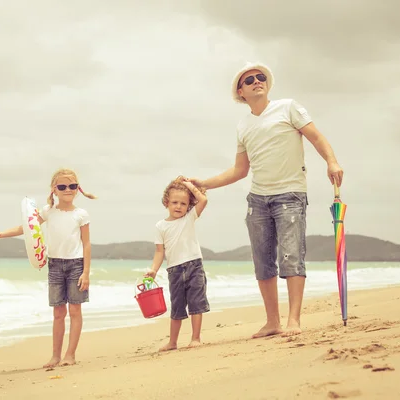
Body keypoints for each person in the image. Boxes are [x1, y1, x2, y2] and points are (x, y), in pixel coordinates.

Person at [188, 62, 344, 338]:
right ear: (241, 91)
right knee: (263, 262)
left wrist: (331, 162)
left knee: (291, 257)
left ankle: (293, 320)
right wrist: (205, 183)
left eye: (260, 78)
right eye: (249, 80)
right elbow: (240, 170)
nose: (257, 81)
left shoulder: (288, 107)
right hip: (258, 199)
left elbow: (316, 137)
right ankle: (273, 321)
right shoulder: (243, 125)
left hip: (291, 194)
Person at [0, 168, 95, 368]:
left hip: (76, 265)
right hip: (54, 264)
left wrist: (86, 272)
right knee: (58, 313)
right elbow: (25, 228)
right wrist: (0, 234)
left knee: (75, 311)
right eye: (62, 186)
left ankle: (70, 354)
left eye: (72, 186)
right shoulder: (48, 211)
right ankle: (55, 356)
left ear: (78, 188)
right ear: (55, 189)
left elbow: (86, 244)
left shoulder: (81, 214)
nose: (67, 190)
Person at [145, 176, 209, 351]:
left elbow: (203, 199)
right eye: (174, 202)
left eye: (183, 203)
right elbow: (160, 252)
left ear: (188, 205)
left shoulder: (189, 217)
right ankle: (172, 342)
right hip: (174, 270)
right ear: (166, 202)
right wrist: (153, 270)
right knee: (177, 307)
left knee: (196, 304)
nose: (178, 206)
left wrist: (188, 185)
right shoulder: (160, 226)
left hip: (194, 266)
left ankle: (195, 338)